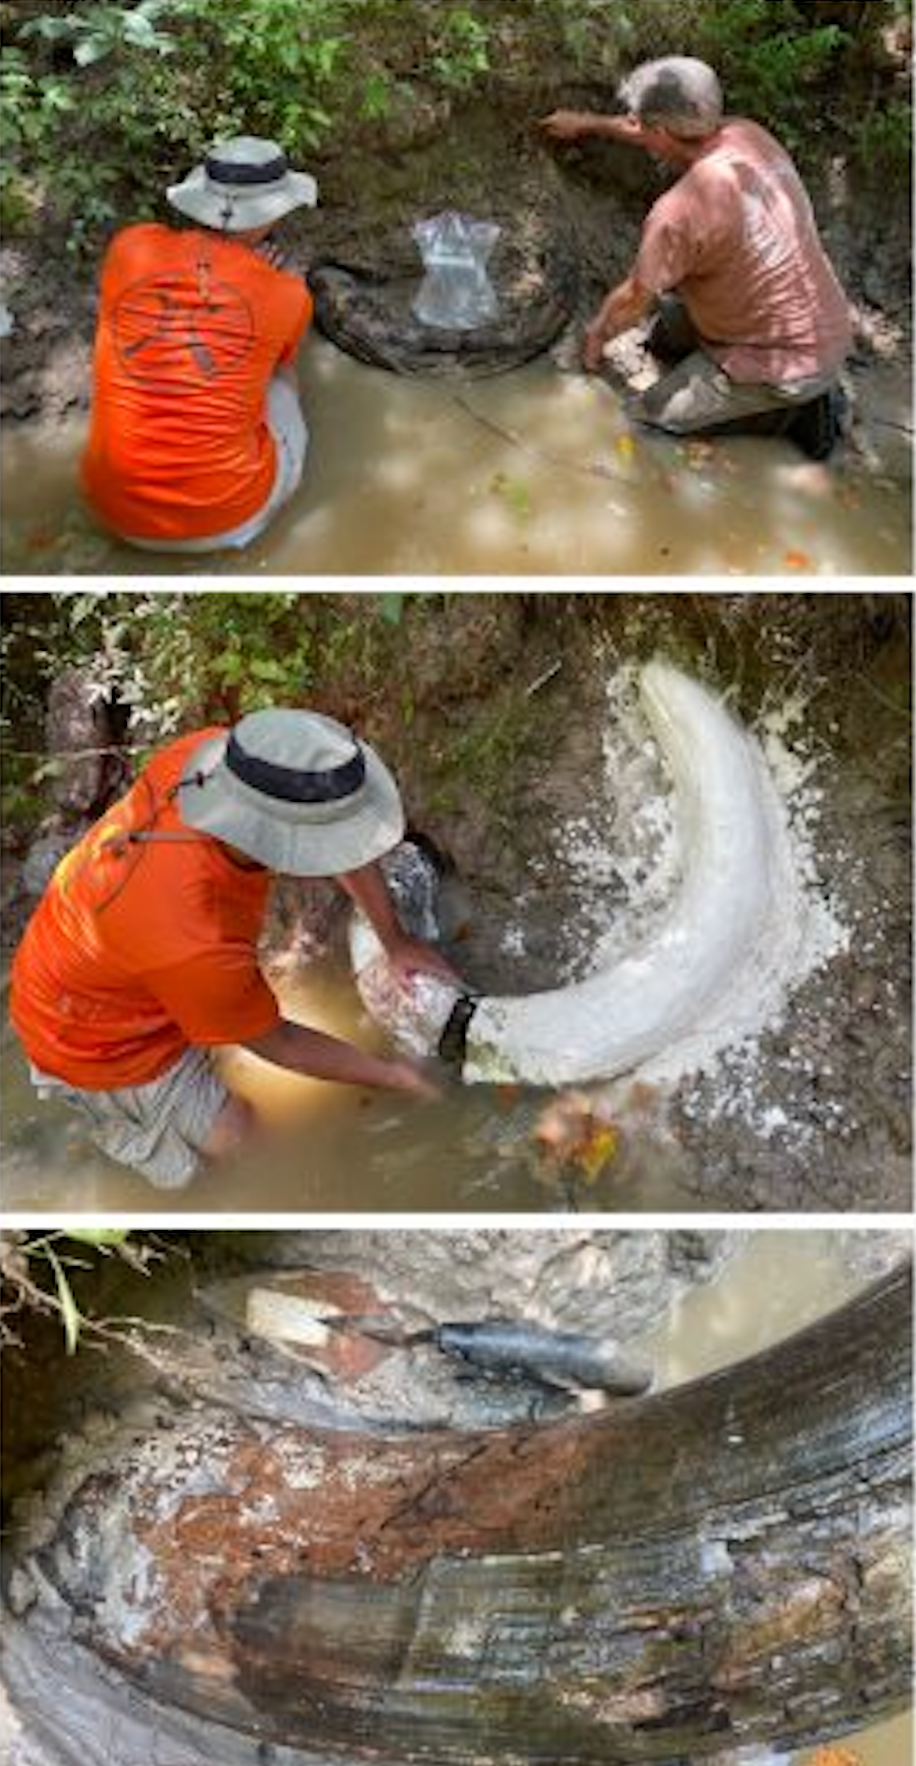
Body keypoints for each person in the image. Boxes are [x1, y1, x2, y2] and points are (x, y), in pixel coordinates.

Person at [10, 709, 458, 1190]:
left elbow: (333, 835)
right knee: (242, 1143)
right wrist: (392, 1075)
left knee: (213, 1019)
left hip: (109, 956)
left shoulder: (216, 762)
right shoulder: (191, 938)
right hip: (88, 1037)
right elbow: (278, 1042)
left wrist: (396, 942)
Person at [542, 57, 853, 458]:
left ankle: (797, 413)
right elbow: (652, 129)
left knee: (644, 421)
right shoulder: (749, 135)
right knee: (665, 333)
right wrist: (588, 123)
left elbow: (635, 299)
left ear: (660, 130)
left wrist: (597, 336)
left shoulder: (679, 213)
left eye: (640, 122)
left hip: (783, 360)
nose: (635, 126)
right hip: (815, 322)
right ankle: (785, 391)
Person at [80, 137, 317, 550]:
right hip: (229, 517)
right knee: (280, 375)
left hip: (112, 511)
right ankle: (274, 487)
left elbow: (200, 275)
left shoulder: (129, 247)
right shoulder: (287, 294)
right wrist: (259, 279)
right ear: (275, 211)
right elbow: (267, 360)